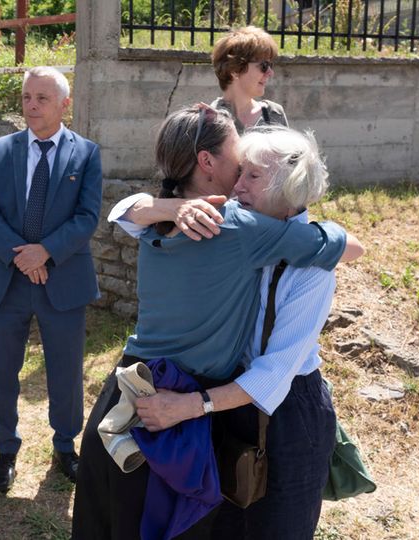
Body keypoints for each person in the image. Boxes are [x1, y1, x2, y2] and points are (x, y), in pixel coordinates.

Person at [71, 106, 363, 539]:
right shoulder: (237, 224)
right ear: (207, 162)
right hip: (171, 403)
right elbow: (348, 246)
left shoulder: (163, 219)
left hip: (130, 390)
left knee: (109, 520)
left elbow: (125, 213)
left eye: (252, 172)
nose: (240, 177)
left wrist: (167, 205)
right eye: (237, 162)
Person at [0, 66, 102, 492]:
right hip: (8, 280)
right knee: (3, 370)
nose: (31, 105)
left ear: (64, 104)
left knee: (65, 370)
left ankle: (65, 445)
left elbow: (87, 216)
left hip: (61, 280)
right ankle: (5, 450)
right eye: (27, 97)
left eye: (42, 98)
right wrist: (23, 257)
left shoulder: (85, 153)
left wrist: (45, 251)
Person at [210, 26, 287, 133]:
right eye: (264, 65)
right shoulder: (209, 120)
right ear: (235, 69)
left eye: (271, 65)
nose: (270, 73)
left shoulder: (274, 114)